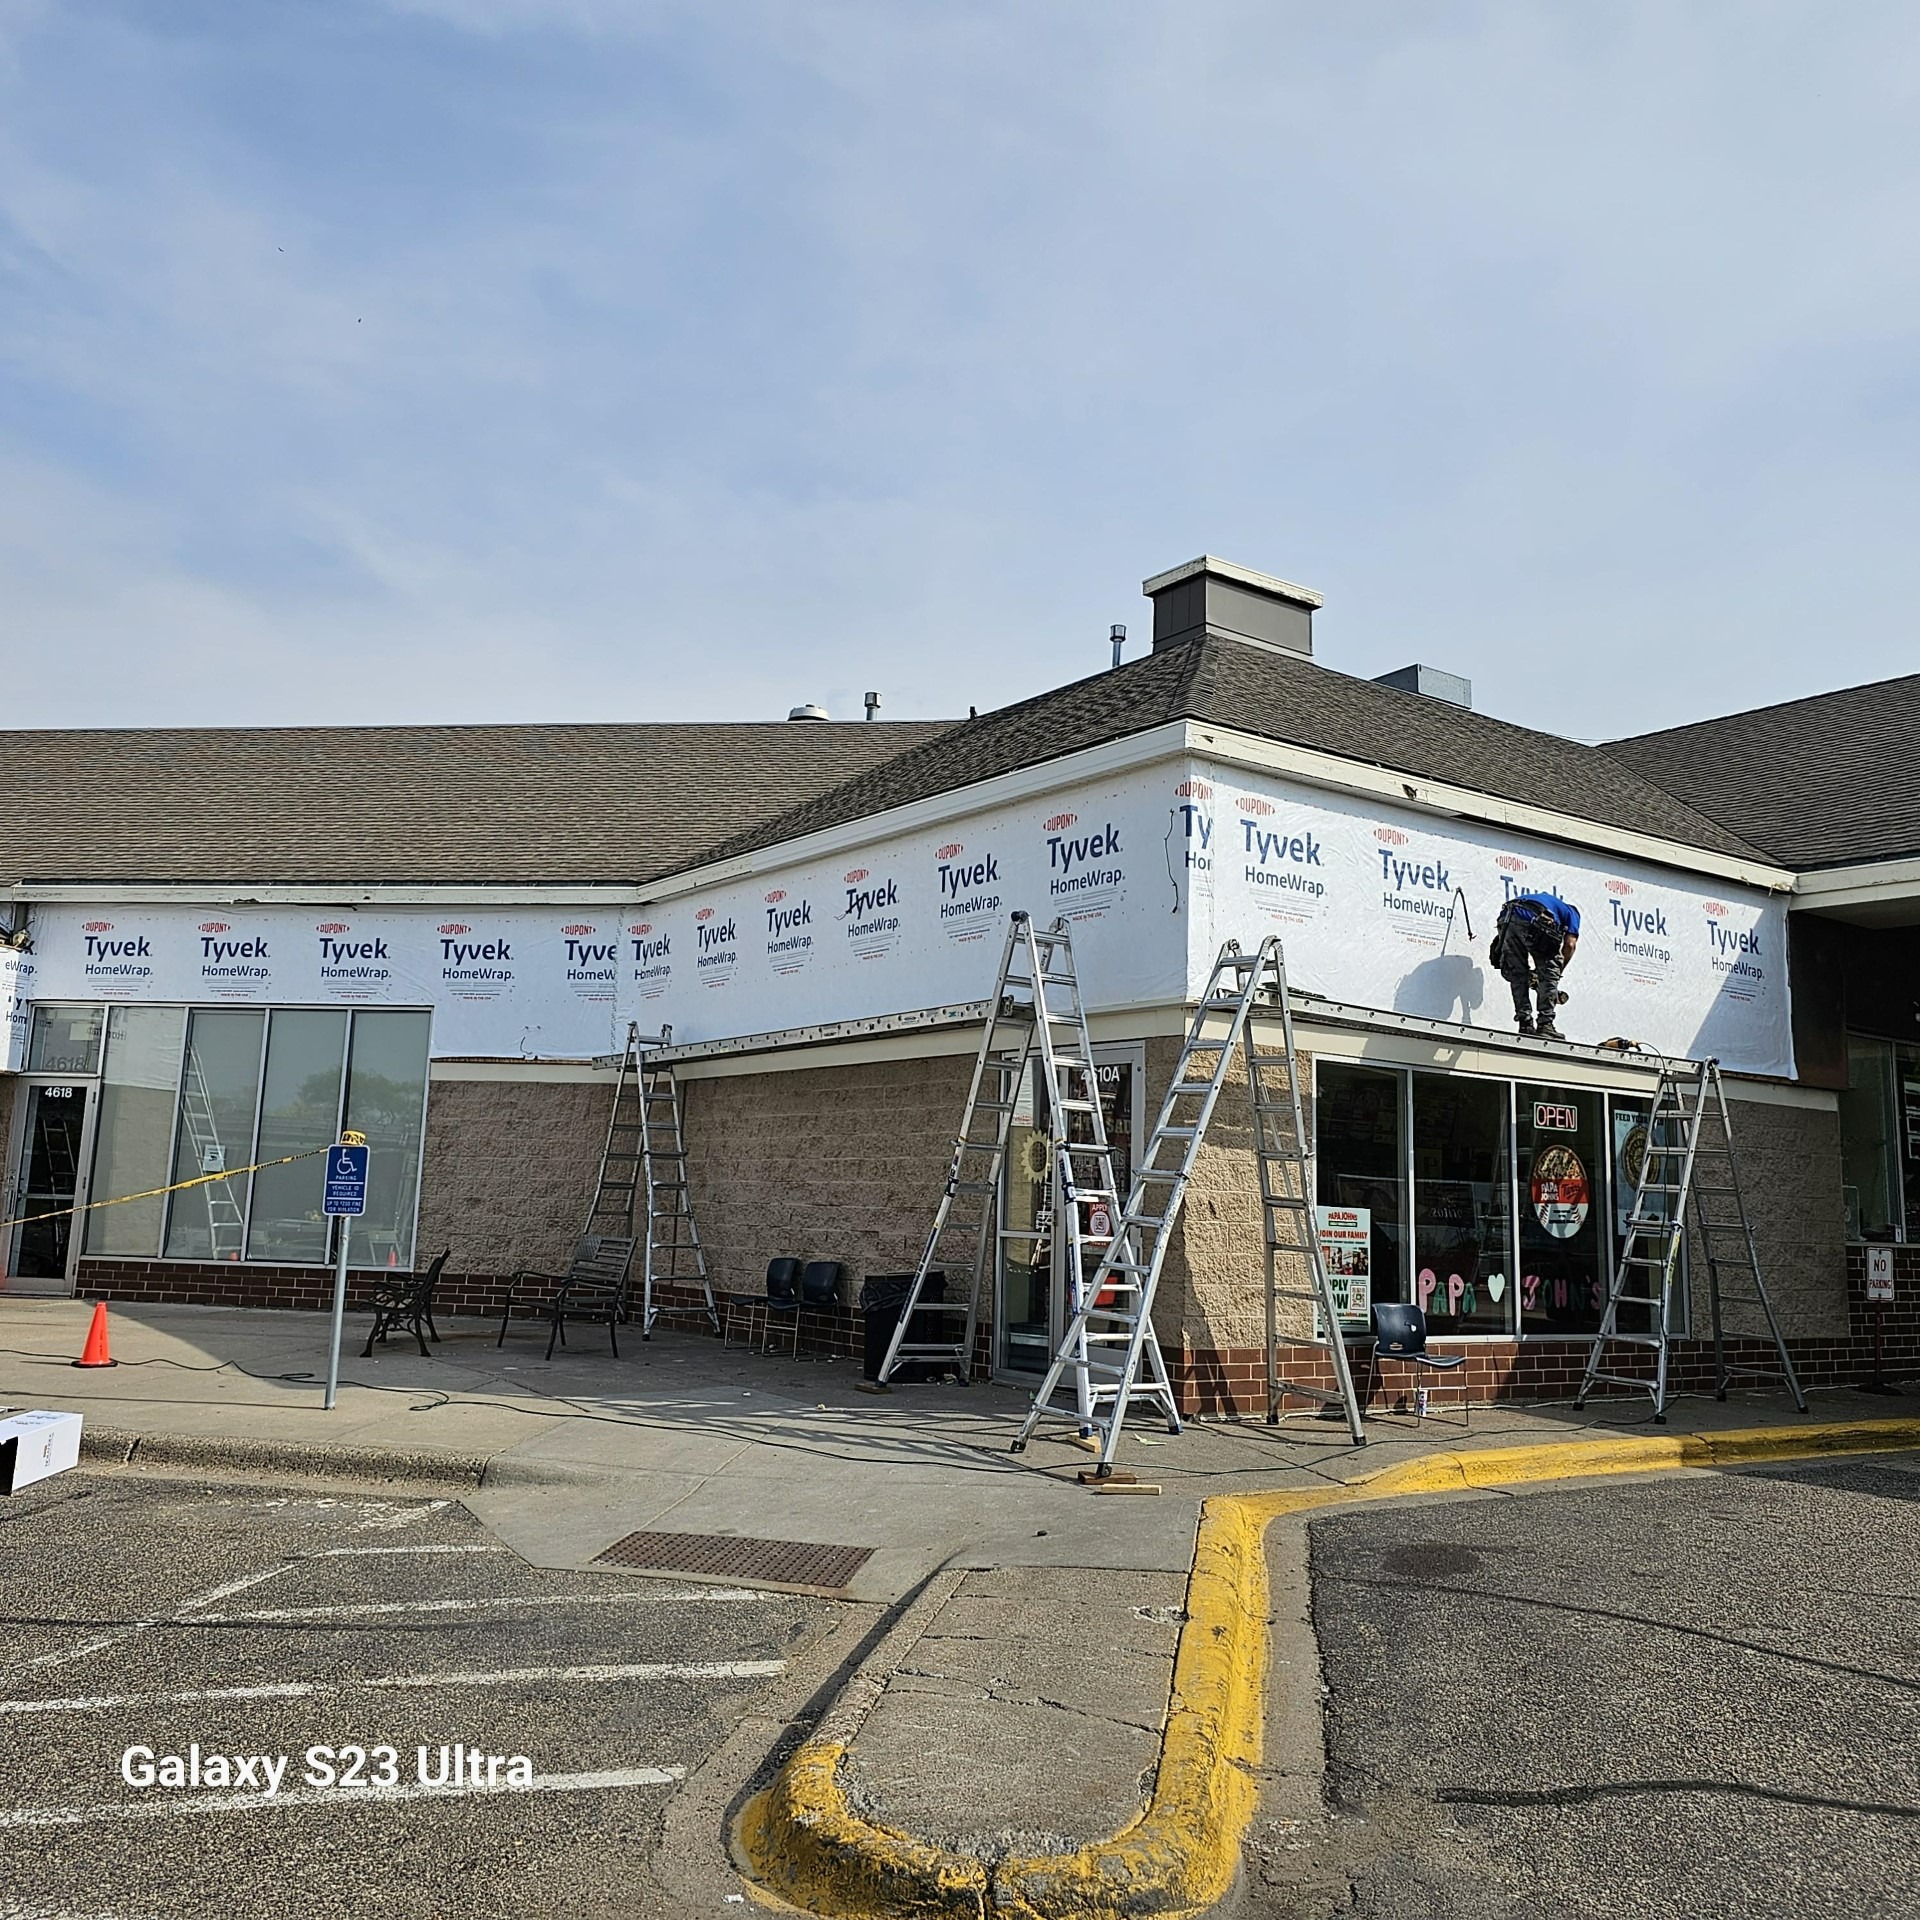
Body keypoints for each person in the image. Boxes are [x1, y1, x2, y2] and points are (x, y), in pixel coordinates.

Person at [1492, 891, 1580, 1038]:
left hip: (1507, 916)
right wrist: (1557, 972)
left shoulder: (1550, 903)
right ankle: (1545, 1024)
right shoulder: (1573, 913)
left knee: (1518, 973)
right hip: (1534, 917)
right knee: (1550, 971)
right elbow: (1570, 945)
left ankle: (1525, 1023)